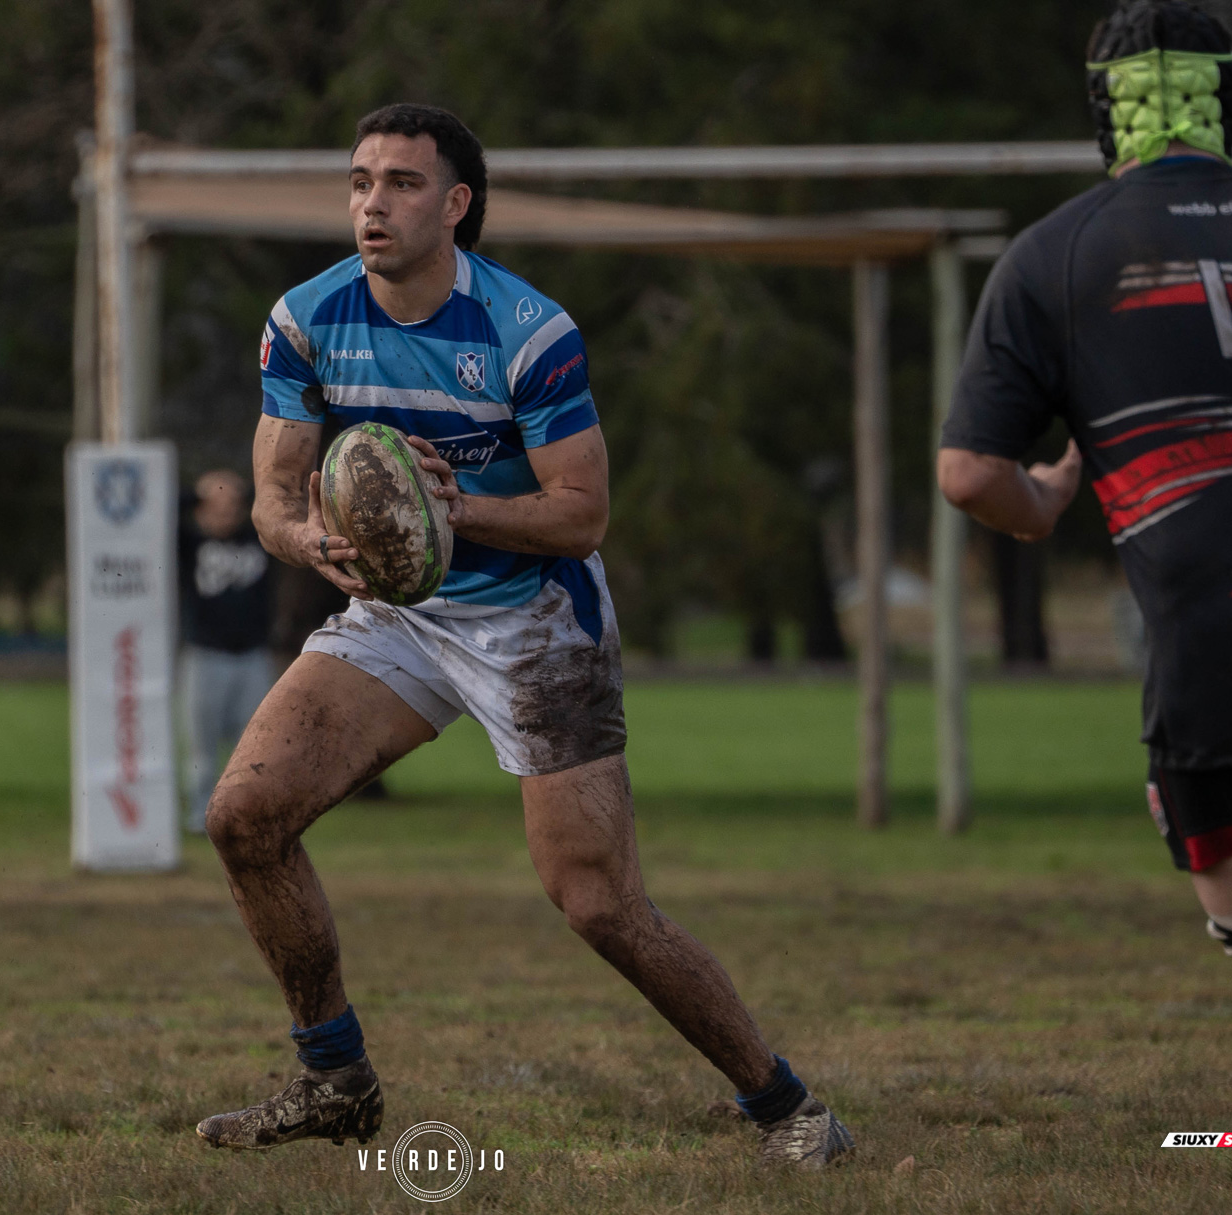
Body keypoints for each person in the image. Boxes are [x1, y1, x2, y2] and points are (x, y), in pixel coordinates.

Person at [194, 104, 854, 1169]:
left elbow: (581, 513)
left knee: (596, 902)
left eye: (403, 183)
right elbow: (274, 495)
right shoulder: (306, 317)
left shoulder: (526, 331)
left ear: (456, 205)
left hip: (533, 615)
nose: (374, 202)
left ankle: (786, 1106)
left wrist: (443, 513)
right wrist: (315, 537)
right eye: (361, 181)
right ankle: (334, 1075)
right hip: (401, 612)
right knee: (243, 817)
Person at [940, 1, 1232, 1091]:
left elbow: (971, 475)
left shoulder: (1055, 258)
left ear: (1107, 118)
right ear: (1228, 104)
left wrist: (1050, 495)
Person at [178, 468, 275, 834]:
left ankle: (245, 817)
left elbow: (276, 504)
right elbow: (163, 508)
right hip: (204, 656)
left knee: (254, 747)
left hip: (253, 656)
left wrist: (242, 492)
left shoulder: (257, 539)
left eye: (231, 505)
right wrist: (201, 491)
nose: (223, 512)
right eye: (214, 506)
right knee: (200, 746)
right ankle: (200, 818)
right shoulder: (189, 544)